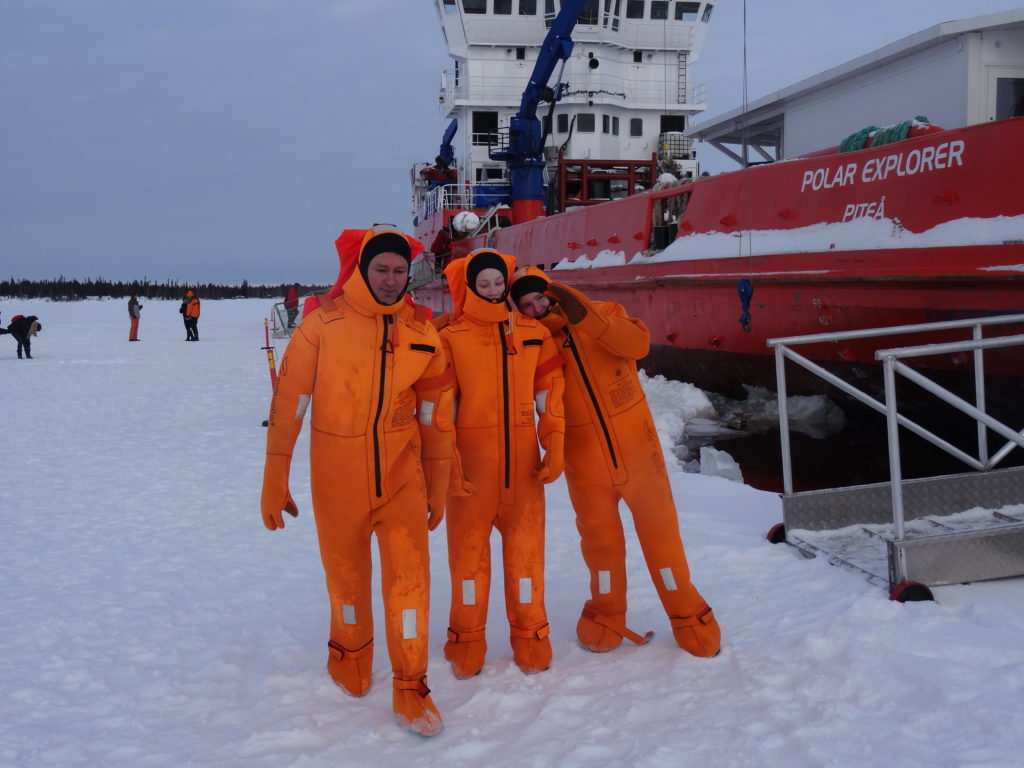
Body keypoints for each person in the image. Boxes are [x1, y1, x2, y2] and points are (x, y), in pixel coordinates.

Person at [259, 225, 456, 737]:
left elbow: (436, 418)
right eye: (381, 270)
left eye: (398, 271)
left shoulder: (422, 332)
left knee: (410, 585)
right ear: (363, 270)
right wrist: (274, 479)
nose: (391, 280)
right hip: (337, 484)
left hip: (401, 481)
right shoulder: (322, 324)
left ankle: (412, 686)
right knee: (346, 583)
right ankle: (350, 656)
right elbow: (289, 407)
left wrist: (437, 483)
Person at [510, 266, 721, 659]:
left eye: (541, 298)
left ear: (554, 293)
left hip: (640, 454)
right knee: (599, 543)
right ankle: (607, 610)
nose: (538, 308)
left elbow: (637, 345)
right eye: (527, 305)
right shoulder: (534, 343)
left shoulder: (606, 312)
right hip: (584, 463)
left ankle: (686, 611)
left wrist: (587, 317)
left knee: (662, 537)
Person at [435, 249, 565, 680]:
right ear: (470, 286)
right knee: (468, 563)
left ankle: (531, 636)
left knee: (527, 560)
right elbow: (443, 408)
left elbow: (549, 394)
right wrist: (448, 463)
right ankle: (466, 640)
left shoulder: (532, 332)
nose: (491, 290)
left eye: (497, 283)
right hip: (472, 476)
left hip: (524, 472)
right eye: (483, 283)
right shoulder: (451, 337)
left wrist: (556, 445)